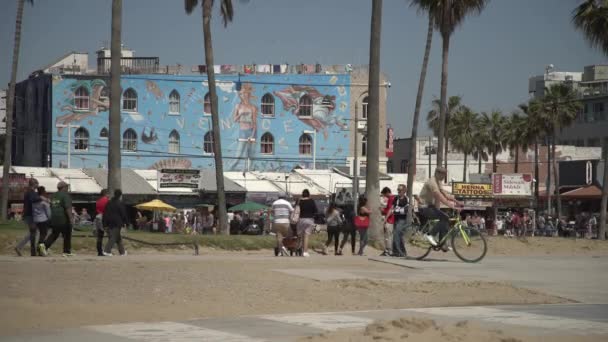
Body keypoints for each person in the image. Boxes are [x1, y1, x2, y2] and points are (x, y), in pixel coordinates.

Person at [418, 167, 463, 250]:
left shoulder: (438, 181)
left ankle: (442, 244)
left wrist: (456, 201)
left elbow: (445, 194)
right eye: (443, 175)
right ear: (438, 173)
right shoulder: (432, 182)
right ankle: (430, 235)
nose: (444, 177)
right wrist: (453, 207)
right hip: (424, 207)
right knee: (444, 218)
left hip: (430, 206)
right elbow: (440, 197)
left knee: (446, 219)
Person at [230, 83, 258, 171]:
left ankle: (249, 170)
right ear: (240, 95)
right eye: (242, 93)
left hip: (251, 131)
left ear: (248, 95)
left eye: (246, 93)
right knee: (239, 154)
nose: (244, 95)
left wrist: (252, 135)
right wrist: (241, 114)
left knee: (251, 154)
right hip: (242, 131)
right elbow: (234, 119)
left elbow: (254, 122)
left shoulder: (252, 107)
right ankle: (230, 169)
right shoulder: (238, 106)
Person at [43, 181, 74, 257]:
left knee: (54, 234)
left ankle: (44, 246)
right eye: (67, 187)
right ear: (63, 187)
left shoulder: (53, 195)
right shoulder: (65, 195)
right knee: (67, 235)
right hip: (63, 218)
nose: (67, 188)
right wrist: (71, 219)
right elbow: (68, 208)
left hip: (54, 218)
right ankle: (66, 251)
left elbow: (51, 205)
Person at [15, 178, 45, 256]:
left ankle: (19, 247)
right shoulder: (30, 192)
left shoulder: (30, 192)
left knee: (33, 233)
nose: (38, 185)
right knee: (33, 233)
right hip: (30, 215)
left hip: (30, 215)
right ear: (34, 184)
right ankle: (32, 251)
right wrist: (41, 198)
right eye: (37, 184)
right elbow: (33, 200)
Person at [102, 189, 128, 256]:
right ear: (120, 195)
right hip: (117, 222)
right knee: (113, 237)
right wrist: (126, 222)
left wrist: (104, 223)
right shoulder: (120, 203)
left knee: (118, 237)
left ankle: (122, 252)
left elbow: (105, 213)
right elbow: (123, 213)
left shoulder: (109, 202)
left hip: (109, 221)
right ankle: (107, 250)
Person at [296, 189, 318, 257]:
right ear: (309, 195)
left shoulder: (299, 201)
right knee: (306, 236)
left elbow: (296, 210)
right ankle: (305, 252)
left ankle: (299, 248)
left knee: (300, 235)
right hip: (309, 220)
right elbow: (316, 210)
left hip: (301, 219)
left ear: (302, 194)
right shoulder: (311, 201)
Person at [389, 184, 409, 257]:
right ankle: (399, 252)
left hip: (402, 220)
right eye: (398, 190)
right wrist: (385, 219)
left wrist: (397, 210)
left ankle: (399, 252)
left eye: (400, 190)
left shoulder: (406, 199)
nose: (398, 191)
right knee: (399, 236)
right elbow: (392, 209)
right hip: (396, 219)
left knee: (396, 234)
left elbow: (405, 210)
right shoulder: (396, 199)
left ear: (404, 191)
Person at [33, 186, 51, 256]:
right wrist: (49, 218)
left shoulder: (34, 201)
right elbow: (48, 211)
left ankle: (39, 248)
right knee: (43, 235)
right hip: (43, 219)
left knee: (40, 234)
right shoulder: (43, 202)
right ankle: (40, 250)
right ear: (43, 191)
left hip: (36, 219)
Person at [380, 187, 395, 256]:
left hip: (389, 220)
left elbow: (390, 210)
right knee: (388, 236)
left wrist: (383, 211)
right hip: (390, 219)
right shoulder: (392, 198)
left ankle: (389, 250)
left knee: (388, 236)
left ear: (386, 193)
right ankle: (388, 250)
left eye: (384, 194)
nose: (384, 197)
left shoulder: (391, 199)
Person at [94, 189, 110, 256]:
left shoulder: (98, 201)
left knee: (100, 235)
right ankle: (108, 250)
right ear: (106, 194)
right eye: (108, 194)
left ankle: (99, 251)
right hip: (104, 217)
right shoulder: (107, 201)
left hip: (98, 217)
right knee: (110, 234)